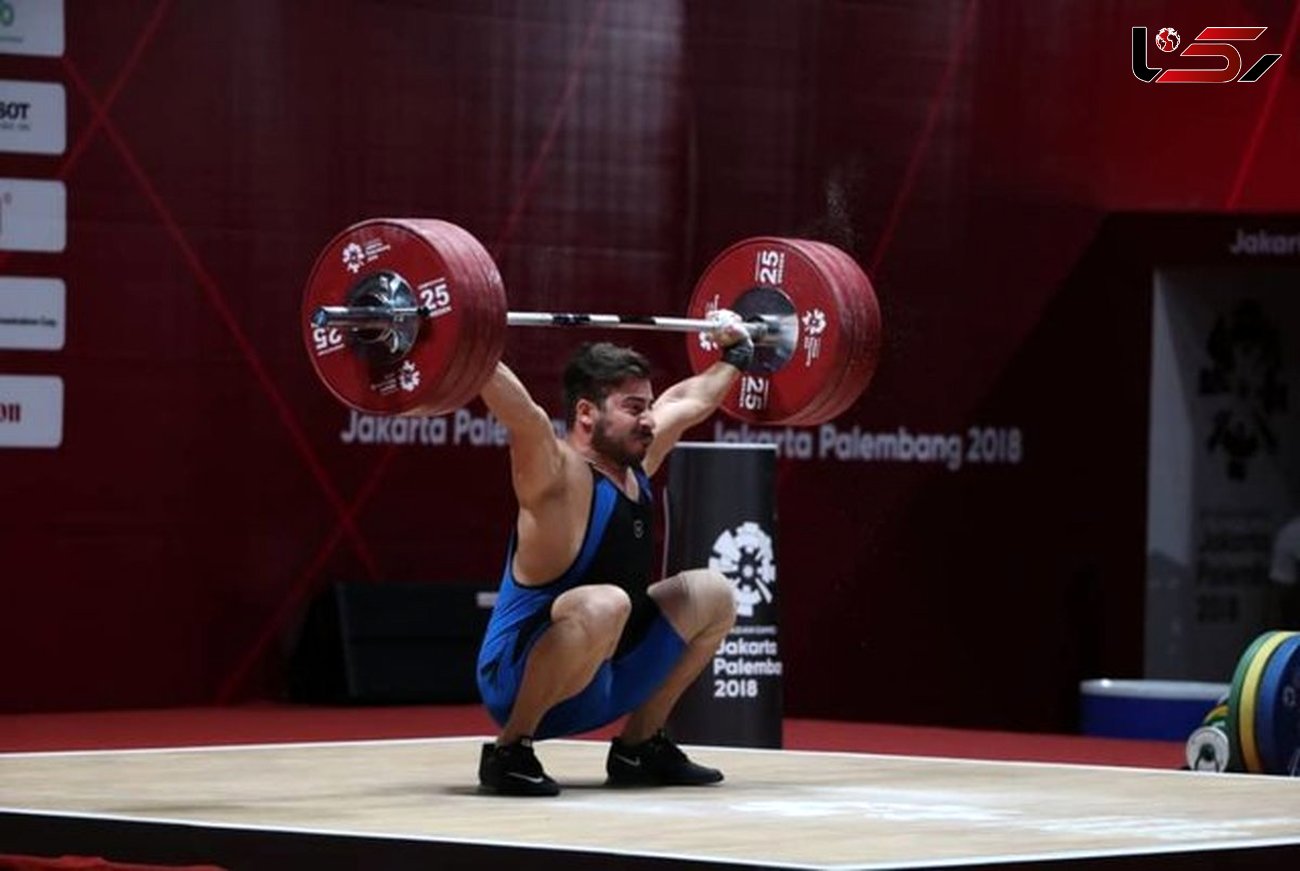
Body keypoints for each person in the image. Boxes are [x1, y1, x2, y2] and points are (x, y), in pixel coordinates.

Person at [474, 312, 755, 796]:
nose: (647, 419)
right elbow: (524, 417)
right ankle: (509, 751)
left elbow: (688, 401)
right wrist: (466, 343)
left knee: (712, 594)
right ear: (586, 413)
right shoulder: (558, 478)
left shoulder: (635, 462)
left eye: (646, 405)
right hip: (520, 679)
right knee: (607, 602)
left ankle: (639, 746)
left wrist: (738, 353)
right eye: (633, 407)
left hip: (604, 678)